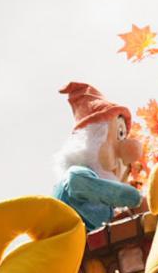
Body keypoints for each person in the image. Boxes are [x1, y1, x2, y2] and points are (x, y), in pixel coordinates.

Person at [52, 82, 144, 231]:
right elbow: (77, 183)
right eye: (119, 135)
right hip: (64, 245)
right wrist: (132, 197)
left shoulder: (107, 207)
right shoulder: (78, 174)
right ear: (91, 141)